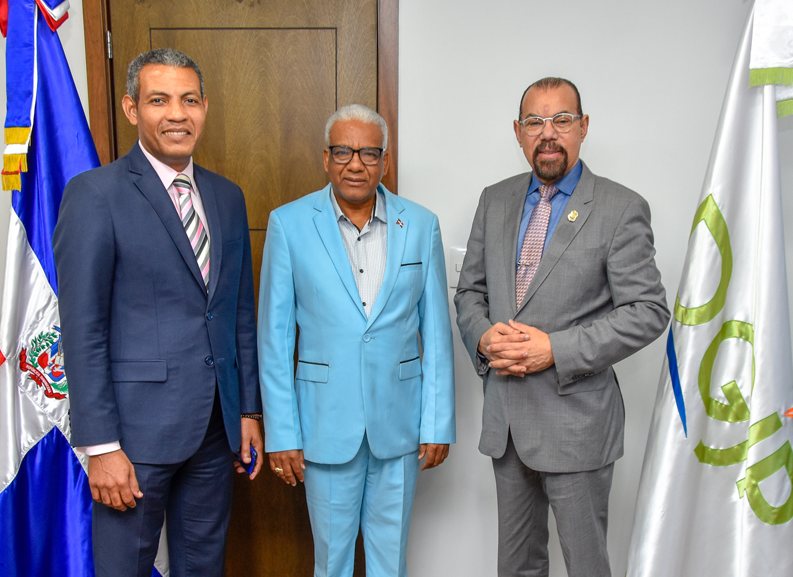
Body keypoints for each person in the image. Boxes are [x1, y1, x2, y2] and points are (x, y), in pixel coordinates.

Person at [53, 49, 262, 577]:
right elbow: (83, 330)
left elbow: (237, 315)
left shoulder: (226, 196)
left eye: (189, 100)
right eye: (159, 100)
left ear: (205, 107)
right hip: (132, 438)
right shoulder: (94, 195)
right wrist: (100, 446)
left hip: (216, 433)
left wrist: (249, 412)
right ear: (131, 109)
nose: (177, 114)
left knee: (203, 567)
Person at [454, 77, 670, 577]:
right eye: (535, 122)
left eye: (561, 120)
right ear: (518, 131)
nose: (547, 133)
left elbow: (648, 311)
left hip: (577, 426)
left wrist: (558, 349)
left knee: (586, 568)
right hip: (507, 423)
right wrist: (483, 338)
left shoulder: (620, 208)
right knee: (518, 567)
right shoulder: (496, 200)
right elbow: (470, 293)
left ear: (583, 127)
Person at [258, 104, 455, 577]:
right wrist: (282, 432)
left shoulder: (421, 225)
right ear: (326, 158)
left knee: (391, 562)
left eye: (368, 152)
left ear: (384, 161)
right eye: (343, 151)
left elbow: (437, 334)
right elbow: (275, 337)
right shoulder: (289, 224)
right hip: (324, 427)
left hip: (400, 426)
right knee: (332, 564)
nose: (355, 163)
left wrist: (437, 423)